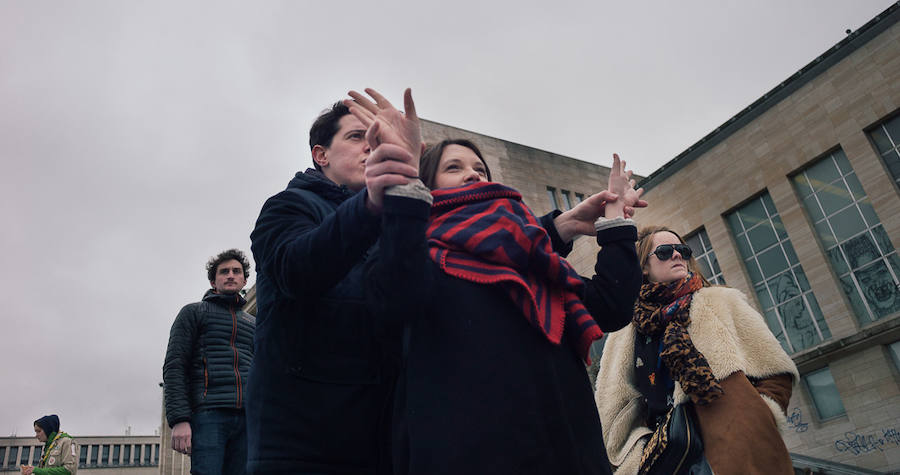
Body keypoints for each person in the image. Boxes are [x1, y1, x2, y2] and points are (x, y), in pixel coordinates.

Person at [347, 88, 645, 474]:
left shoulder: (534, 257)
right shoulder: (408, 248)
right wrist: (403, 183)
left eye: (480, 168)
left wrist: (615, 222)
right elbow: (393, 297)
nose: (473, 172)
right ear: (427, 186)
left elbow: (610, 305)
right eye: (453, 167)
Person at [247, 96, 422, 474]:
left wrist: (554, 231)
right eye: (358, 136)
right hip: (303, 445)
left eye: (378, 138)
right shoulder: (288, 206)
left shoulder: (398, 219)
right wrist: (371, 205)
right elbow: (297, 270)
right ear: (320, 155)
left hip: (385, 441)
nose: (371, 146)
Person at [594, 225, 799, 474]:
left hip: (739, 448)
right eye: (665, 251)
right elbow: (613, 410)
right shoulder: (625, 332)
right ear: (644, 267)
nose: (677, 255)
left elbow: (777, 371)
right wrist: (637, 456)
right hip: (671, 458)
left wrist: (759, 418)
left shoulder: (722, 302)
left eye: (683, 250)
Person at [163, 249, 254, 475]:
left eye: (236, 271)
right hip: (208, 416)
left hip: (247, 419)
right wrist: (179, 420)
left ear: (244, 280)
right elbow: (175, 366)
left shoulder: (254, 324)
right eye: (224, 272)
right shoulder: (193, 313)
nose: (231, 275)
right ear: (214, 281)